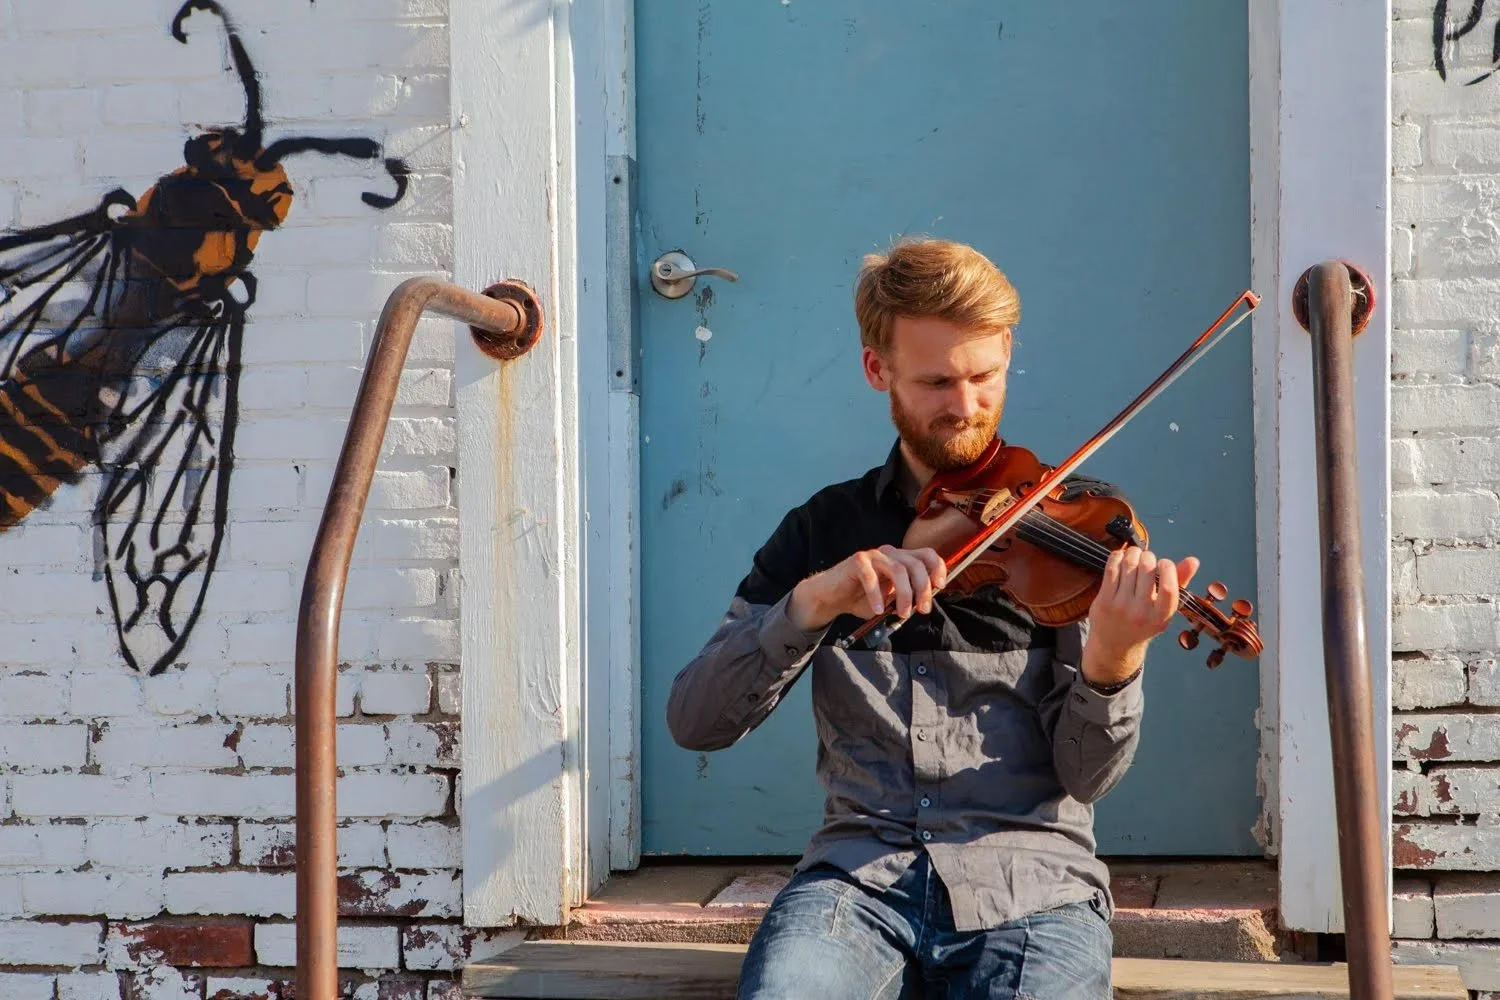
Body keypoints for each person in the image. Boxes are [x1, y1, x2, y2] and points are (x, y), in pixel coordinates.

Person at [665, 237, 1200, 1000]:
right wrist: (812, 605)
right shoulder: (826, 529)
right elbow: (696, 721)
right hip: (856, 885)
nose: (966, 406)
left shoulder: (1076, 530)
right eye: (936, 382)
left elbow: (1087, 777)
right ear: (877, 370)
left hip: (1031, 891)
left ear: (1008, 350)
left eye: (984, 376)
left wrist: (1114, 662)